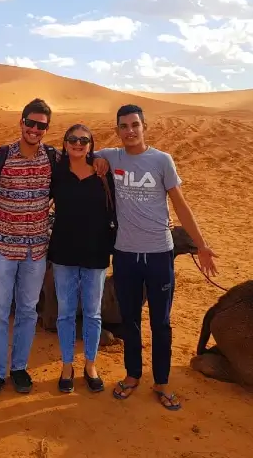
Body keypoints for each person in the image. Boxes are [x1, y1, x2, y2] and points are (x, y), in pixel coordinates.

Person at [0, 98, 110, 399]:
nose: (35, 129)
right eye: (31, 122)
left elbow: (83, 159)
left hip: (36, 250)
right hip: (1, 247)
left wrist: (99, 157)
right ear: (21, 122)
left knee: (27, 310)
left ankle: (20, 368)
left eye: (41, 125)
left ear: (47, 129)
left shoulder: (52, 159)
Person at [94, 104, 218, 411]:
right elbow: (87, 155)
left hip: (159, 254)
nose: (130, 131)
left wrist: (201, 245)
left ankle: (161, 381)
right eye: (123, 126)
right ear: (117, 130)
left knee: (161, 323)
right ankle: (133, 375)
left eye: (135, 125)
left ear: (144, 126)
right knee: (131, 320)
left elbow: (180, 205)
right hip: (124, 255)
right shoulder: (112, 156)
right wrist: (98, 162)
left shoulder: (162, 161)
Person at [48, 124, 116, 394]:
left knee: (92, 312)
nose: (78, 143)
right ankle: (67, 365)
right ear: (65, 143)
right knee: (65, 313)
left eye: (84, 140)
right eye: (73, 139)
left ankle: (90, 364)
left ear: (91, 144)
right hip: (64, 250)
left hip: (95, 251)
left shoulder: (102, 173)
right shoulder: (57, 173)